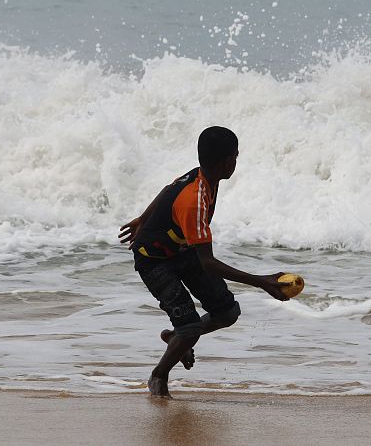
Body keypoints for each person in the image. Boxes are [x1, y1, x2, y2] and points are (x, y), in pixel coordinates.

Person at [118, 126, 290, 398]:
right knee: (190, 328)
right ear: (226, 162)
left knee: (227, 313)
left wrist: (143, 217)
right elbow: (208, 262)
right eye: (235, 156)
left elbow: (166, 191)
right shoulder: (194, 200)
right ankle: (158, 376)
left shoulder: (202, 175)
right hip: (154, 261)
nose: (236, 161)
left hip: (182, 252)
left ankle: (176, 339)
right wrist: (262, 282)